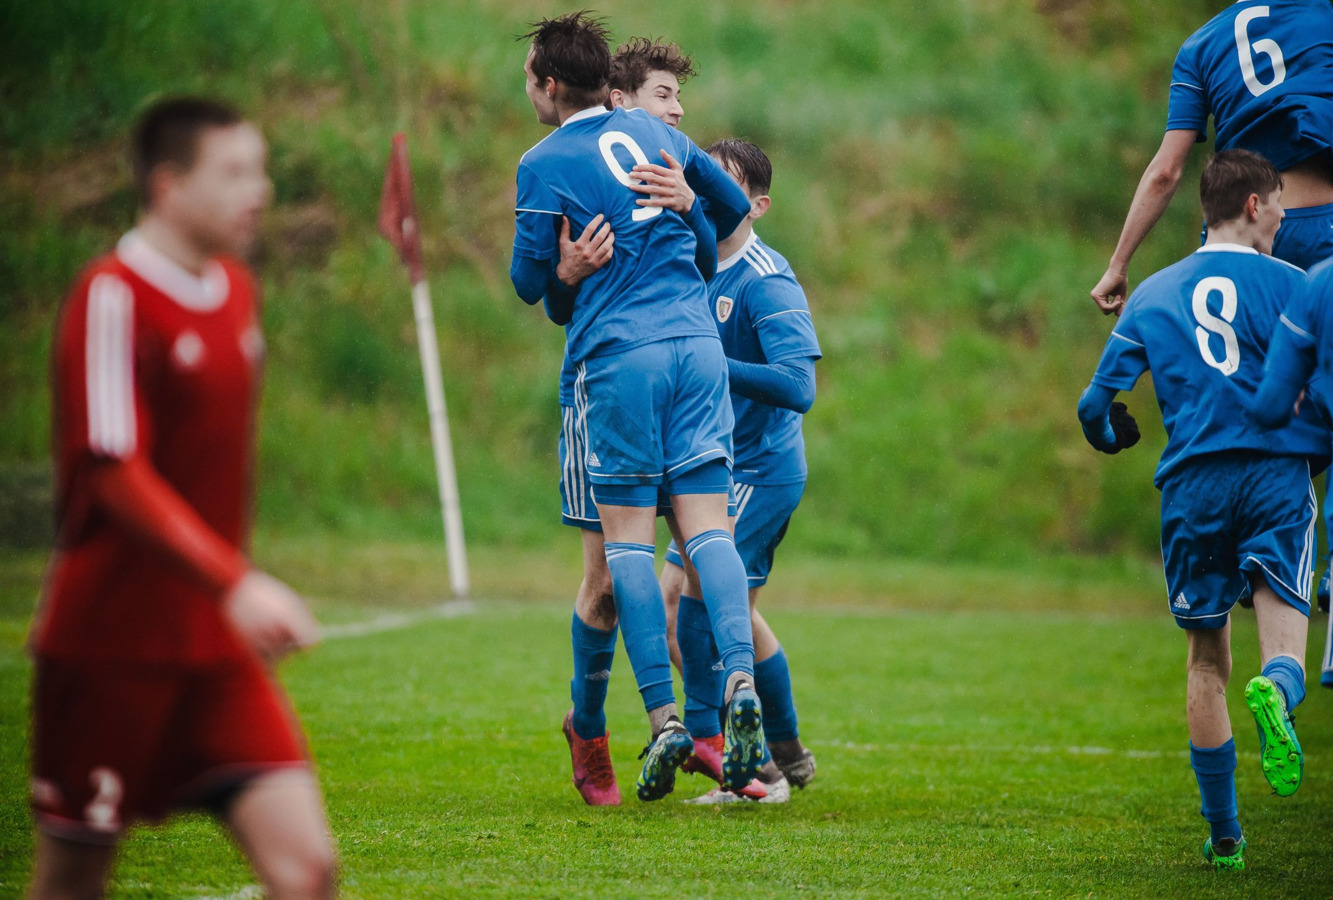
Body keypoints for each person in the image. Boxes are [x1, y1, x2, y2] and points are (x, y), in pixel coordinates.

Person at [27, 97, 335, 899]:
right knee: (71, 881)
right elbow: (112, 468)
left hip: (214, 650)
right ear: (168, 186)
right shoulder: (112, 294)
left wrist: (224, 595)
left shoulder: (235, 290)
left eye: (259, 170)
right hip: (109, 652)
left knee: (307, 870)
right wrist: (234, 580)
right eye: (233, 173)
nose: (259, 191)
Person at [510, 13, 758, 802]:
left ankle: (665, 722)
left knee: (620, 555)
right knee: (706, 532)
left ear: (549, 84)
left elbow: (528, 287)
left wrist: (566, 272)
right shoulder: (658, 139)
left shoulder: (542, 163)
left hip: (616, 364)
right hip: (696, 351)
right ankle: (736, 685)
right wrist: (690, 205)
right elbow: (733, 212)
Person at [1078, 150, 1323, 871]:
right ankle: (1276, 689)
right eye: (1280, 204)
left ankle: (1224, 838)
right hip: (1273, 475)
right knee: (1285, 646)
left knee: (1205, 659)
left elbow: (1095, 405)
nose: (1284, 218)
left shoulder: (1155, 292)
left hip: (1192, 487)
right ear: (1253, 206)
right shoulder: (1297, 286)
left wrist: (1113, 433)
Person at [544, 33, 719, 807]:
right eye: (662, 97)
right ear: (617, 102)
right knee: (607, 586)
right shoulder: (569, 169)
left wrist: (692, 207)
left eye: (678, 100)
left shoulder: (669, 167)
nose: (675, 112)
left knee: (700, 561)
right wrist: (566, 272)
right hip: (606, 385)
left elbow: (706, 257)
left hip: (676, 380)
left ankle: (703, 731)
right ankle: (588, 727)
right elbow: (552, 299)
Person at [657, 140, 821, 804]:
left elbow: (797, 384)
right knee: (711, 611)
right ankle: (782, 749)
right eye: (704, 183)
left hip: (760, 466)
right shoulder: (691, 260)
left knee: (693, 605)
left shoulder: (764, 278)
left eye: (723, 187)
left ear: (756, 205)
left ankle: (755, 769)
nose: (708, 197)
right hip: (714, 462)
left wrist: (708, 363)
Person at [1090, 0, 1333, 314]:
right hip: (1323, 222)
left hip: (1246, 235)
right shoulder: (1320, 14)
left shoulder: (1198, 48)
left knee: (1251, 343)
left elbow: (1165, 172)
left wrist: (1118, 265)